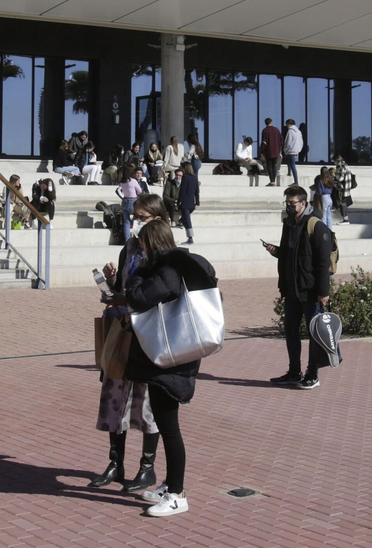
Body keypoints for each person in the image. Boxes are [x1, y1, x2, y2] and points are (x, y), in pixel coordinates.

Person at [121, 219, 216, 518]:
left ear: (152, 243)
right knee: (166, 425)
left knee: (170, 428)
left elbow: (137, 297)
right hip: (173, 355)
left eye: (143, 244)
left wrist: (136, 274)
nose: (141, 249)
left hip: (171, 359)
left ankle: (177, 494)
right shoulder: (174, 265)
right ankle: (170, 485)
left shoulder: (166, 269)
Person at [89, 194, 170, 496]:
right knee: (114, 398)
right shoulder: (130, 248)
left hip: (148, 335)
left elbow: (157, 295)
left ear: (158, 219)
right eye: (134, 215)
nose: (135, 222)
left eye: (142, 217)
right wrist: (111, 285)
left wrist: (124, 297)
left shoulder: (163, 253)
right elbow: (124, 290)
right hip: (121, 330)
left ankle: (147, 467)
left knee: (146, 403)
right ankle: (115, 463)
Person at [264, 185, 333, 391]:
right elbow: (288, 252)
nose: (289, 207)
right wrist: (276, 251)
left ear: (303, 203)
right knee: (291, 332)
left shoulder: (316, 226)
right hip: (292, 289)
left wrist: (324, 292)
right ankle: (294, 372)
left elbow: (323, 262)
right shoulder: (288, 224)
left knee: (314, 334)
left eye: (292, 203)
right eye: (286, 203)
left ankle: (313, 374)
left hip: (310, 291)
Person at [118, 166, 143, 243]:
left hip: (124, 200)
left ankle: (127, 240)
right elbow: (140, 191)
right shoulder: (133, 181)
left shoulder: (122, 181)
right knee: (137, 219)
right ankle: (137, 238)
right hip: (133, 200)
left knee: (126, 221)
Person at [176, 162, 199, 244]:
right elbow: (197, 191)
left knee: (188, 221)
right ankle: (181, 221)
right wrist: (197, 202)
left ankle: (190, 238)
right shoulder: (194, 177)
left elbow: (182, 191)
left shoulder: (185, 177)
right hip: (192, 203)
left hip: (185, 203)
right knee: (185, 218)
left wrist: (178, 203)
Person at [332, 155, 356, 223]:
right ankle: (345, 218)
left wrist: (335, 176)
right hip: (347, 187)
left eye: (334, 161)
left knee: (342, 203)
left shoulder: (340, 166)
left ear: (336, 160)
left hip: (342, 188)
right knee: (344, 202)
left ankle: (345, 219)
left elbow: (341, 178)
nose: (334, 162)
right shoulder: (346, 165)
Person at [259, 118, 283, 187]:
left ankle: (272, 181)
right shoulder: (276, 130)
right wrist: (279, 148)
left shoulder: (265, 131)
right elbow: (281, 140)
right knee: (274, 166)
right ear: (271, 122)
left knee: (269, 166)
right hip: (276, 151)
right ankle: (273, 181)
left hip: (268, 151)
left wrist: (263, 151)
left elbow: (264, 142)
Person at [282, 119, 303, 185]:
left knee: (292, 165)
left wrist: (285, 149)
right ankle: (289, 171)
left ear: (289, 124)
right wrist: (299, 149)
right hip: (296, 150)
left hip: (291, 150)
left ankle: (296, 181)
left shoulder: (290, 131)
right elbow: (301, 142)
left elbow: (288, 142)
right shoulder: (298, 132)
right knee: (290, 162)